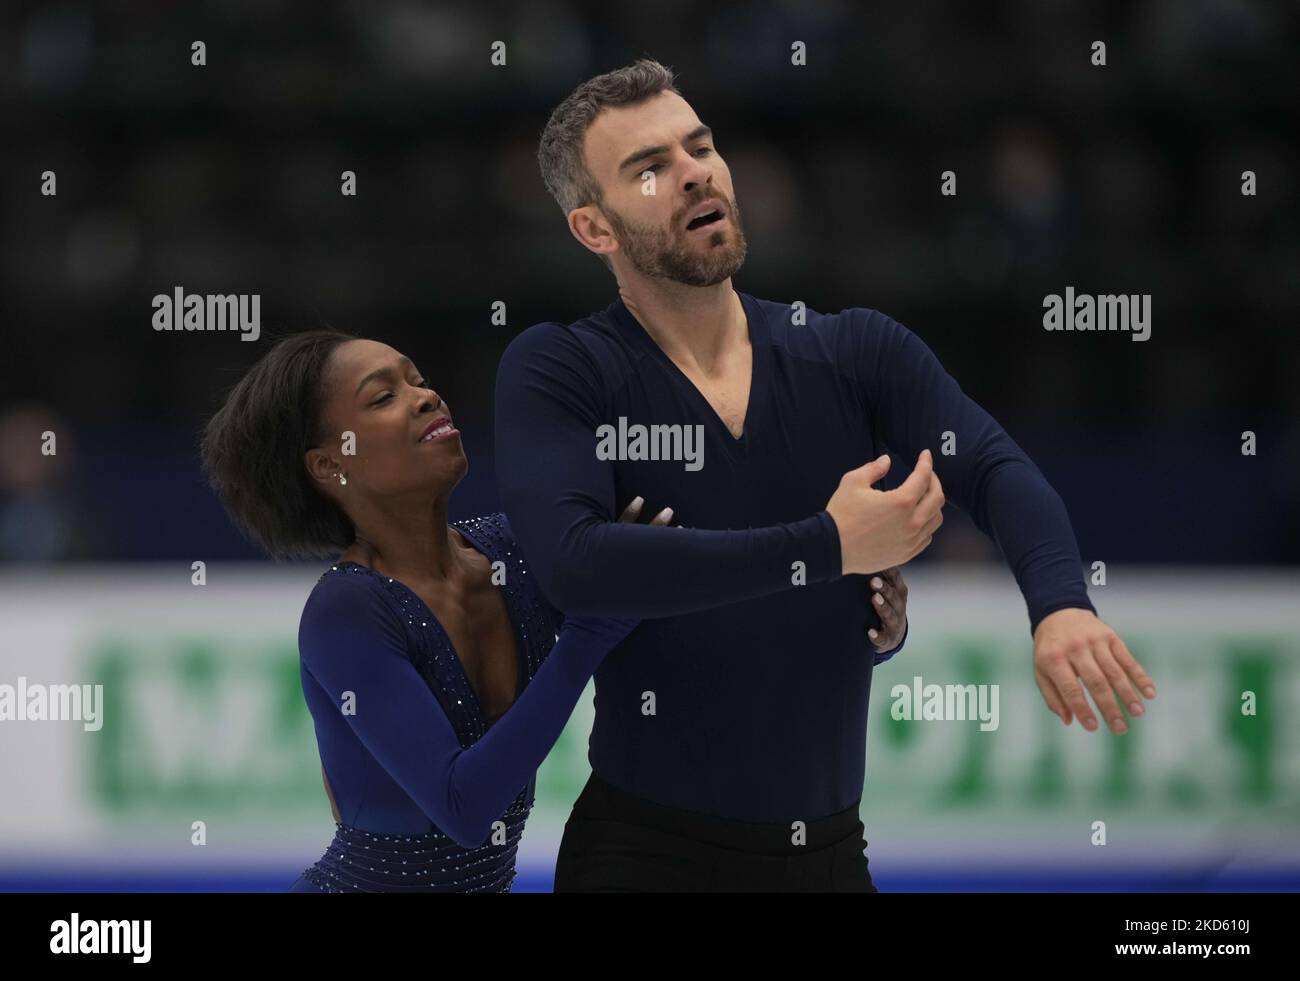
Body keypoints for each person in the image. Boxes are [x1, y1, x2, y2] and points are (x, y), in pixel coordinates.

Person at [493, 59, 1156, 892]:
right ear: (594, 229)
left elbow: (992, 467)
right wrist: (828, 546)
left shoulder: (854, 351)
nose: (696, 169)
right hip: (643, 858)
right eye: (651, 168)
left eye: (700, 146)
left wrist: (1059, 603)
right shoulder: (563, 370)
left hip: (831, 859)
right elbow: (575, 564)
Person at [200, 330, 663, 892]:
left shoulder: (513, 550)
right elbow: (464, 809)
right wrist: (590, 634)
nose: (426, 396)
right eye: (382, 397)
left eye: (417, 380)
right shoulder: (347, 609)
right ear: (328, 465)